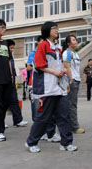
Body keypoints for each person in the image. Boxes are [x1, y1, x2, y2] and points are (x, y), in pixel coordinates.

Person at [25, 21, 76, 153]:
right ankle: (31, 142)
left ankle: (66, 143)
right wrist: (55, 72)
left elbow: (57, 65)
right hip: (47, 88)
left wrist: (63, 70)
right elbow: (39, 65)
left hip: (59, 87)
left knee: (64, 115)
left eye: (57, 28)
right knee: (43, 117)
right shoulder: (43, 46)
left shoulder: (58, 48)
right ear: (47, 31)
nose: (56, 31)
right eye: (54, 29)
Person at [63, 35, 85, 134]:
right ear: (68, 43)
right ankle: (75, 126)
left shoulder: (75, 53)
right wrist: (70, 80)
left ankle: (69, 124)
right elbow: (66, 67)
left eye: (75, 39)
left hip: (76, 80)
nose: (75, 41)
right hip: (72, 81)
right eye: (73, 40)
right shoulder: (67, 53)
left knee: (71, 104)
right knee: (72, 104)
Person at [7, 40, 28, 128]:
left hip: (12, 80)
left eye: (13, 48)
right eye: (11, 48)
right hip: (6, 80)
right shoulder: (5, 55)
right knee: (3, 102)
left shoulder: (10, 55)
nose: (12, 50)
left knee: (14, 100)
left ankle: (18, 120)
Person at [27, 36, 43, 121]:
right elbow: (28, 67)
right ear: (37, 42)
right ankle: (36, 124)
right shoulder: (33, 53)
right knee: (36, 104)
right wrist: (39, 67)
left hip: (44, 82)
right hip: (34, 82)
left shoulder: (46, 52)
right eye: (42, 41)